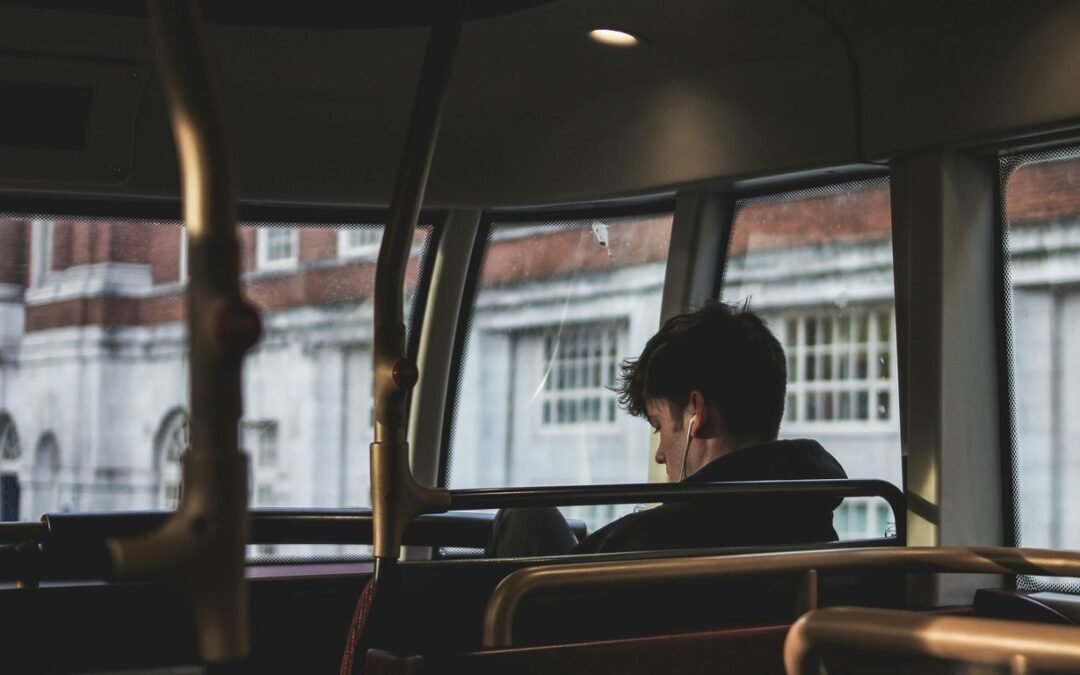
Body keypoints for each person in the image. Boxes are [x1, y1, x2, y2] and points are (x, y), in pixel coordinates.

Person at [485, 300, 847, 557]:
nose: (659, 454)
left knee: (525, 515)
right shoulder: (820, 534)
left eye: (658, 427)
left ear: (695, 414)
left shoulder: (650, 544)